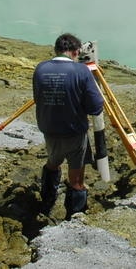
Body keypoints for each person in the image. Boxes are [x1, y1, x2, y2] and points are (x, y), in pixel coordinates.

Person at [33, 33, 105, 220]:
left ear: (56, 50)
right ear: (75, 52)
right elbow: (96, 107)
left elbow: (37, 98)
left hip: (49, 130)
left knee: (53, 163)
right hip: (74, 134)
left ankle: (46, 201)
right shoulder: (81, 71)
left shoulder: (40, 69)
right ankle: (74, 218)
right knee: (76, 180)